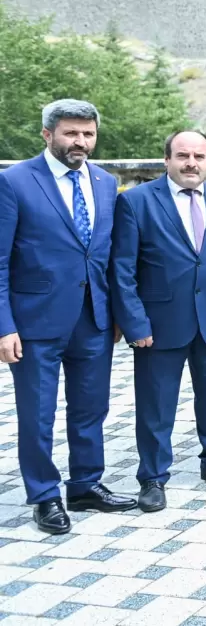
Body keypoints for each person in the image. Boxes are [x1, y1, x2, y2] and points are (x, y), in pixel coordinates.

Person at [0, 100, 136, 534]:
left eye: (88, 133)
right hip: (35, 323)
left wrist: (118, 314)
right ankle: (44, 495)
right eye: (71, 133)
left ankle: (85, 485)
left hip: (94, 318)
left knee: (91, 409)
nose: (80, 141)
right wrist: (4, 326)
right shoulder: (14, 181)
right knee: (38, 416)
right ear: (47, 134)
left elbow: (108, 255)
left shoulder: (104, 182)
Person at [112, 131, 206, 512]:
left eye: (199, 156)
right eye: (182, 155)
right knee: (156, 405)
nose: (191, 163)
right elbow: (123, 270)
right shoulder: (136, 202)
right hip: (158, 325)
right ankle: (153, 476)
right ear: (167, 160)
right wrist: (135, 323)